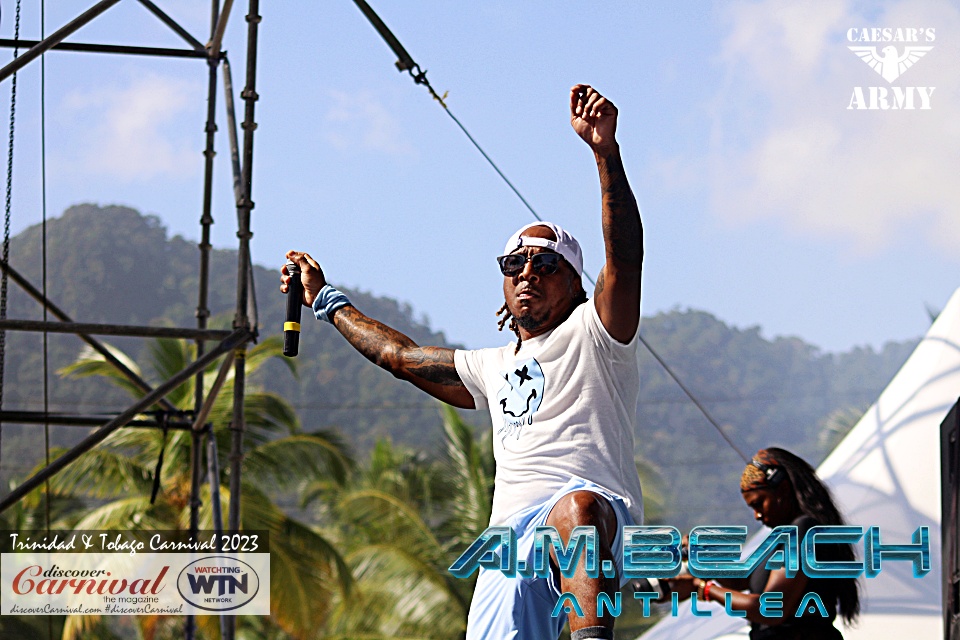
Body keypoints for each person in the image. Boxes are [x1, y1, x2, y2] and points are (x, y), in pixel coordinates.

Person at [281, 84, 644, 640]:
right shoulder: (491, 366)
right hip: (509, 546)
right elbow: (399, 357)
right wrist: (326, 301)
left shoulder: (597, 331)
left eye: (546, 263)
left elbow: (624, 257)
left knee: (577, 509)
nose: (527, 272)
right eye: (514, 263)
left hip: (590, 521)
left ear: (575, 284)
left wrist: (605, 154)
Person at [670, 448, 860, 640]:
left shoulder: (803, 530)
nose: (757, 516)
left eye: (759, 503)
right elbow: (742, 580)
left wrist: (704, 589)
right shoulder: (785, 538)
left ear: (783, 489)